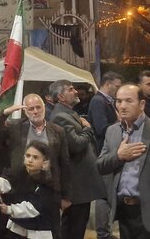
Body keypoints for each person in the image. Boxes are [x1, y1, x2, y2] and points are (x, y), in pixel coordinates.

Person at [97, 84, 150, 239]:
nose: (122, 106)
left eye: (129, 101)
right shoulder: (112, 131)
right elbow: (100, 166)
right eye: (119, 101)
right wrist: (118, 156)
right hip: (124, 212)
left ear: (142, 104)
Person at [0, 94, 72, 208]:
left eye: (38, 107)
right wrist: (5, 113)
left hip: (49, 187)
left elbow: (64, 164)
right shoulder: (16, 126)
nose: (35, 111)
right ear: (25, 111)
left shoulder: (58, 131)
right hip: (20, 186)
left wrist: (66, 196)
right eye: (31, 109)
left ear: (44, 107)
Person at [49, 80, 106, 239]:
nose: (76, 91)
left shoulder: (67, 113)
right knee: (74, 228)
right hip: (77, 186)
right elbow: (76, 144)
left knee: (77, 226)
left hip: (80, 186)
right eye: (71, 89)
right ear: (61, 97)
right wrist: (87, 129)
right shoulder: (60, 117)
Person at [0, 141, 60, 239]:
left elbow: (34, 208)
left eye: (35, 157)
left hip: (39, 228)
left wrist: (10, 209)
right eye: (28, 156)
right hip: (19, 225)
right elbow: (10, 184)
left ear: (45, 163)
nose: (30, 160)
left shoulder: (47, 184)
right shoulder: (19, 173)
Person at [87, 72, 124, 239]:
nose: (118, 89)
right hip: (104, 152)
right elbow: (101, 128)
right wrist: (120, 121)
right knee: (104, 195)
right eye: (117, 86)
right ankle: (103, 234)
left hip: (112, 152)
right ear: (108, 84)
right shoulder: (98, 101)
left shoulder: (107, 101)